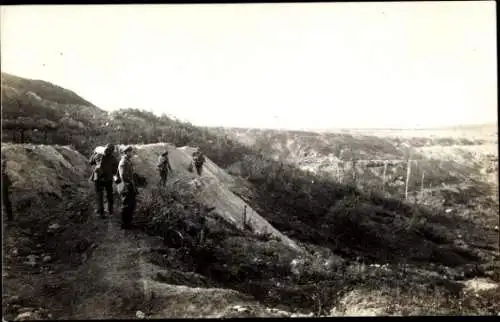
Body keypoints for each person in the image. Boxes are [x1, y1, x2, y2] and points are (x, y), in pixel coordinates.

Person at [89, 143, 118, 218]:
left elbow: (90, 162)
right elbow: (115, 171)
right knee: (109, 195)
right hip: (108, 179)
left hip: (97, 178)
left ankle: (101, 213)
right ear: (112, 151)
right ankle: (110, 210)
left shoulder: (98, 155)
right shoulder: (113, 158)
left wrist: (94, 154)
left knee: (99, 195)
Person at [117, 145, 138, 229]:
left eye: (131, 151)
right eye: (130, 152)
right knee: (126, 205)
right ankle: (124, 224)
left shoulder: (128, 161)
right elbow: (123, 176)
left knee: (131, 205)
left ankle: (128, 222)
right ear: (126, 153)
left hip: (130, 186)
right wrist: (130, 183)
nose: (131, 153)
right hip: (126, 187)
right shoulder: (123, 162)